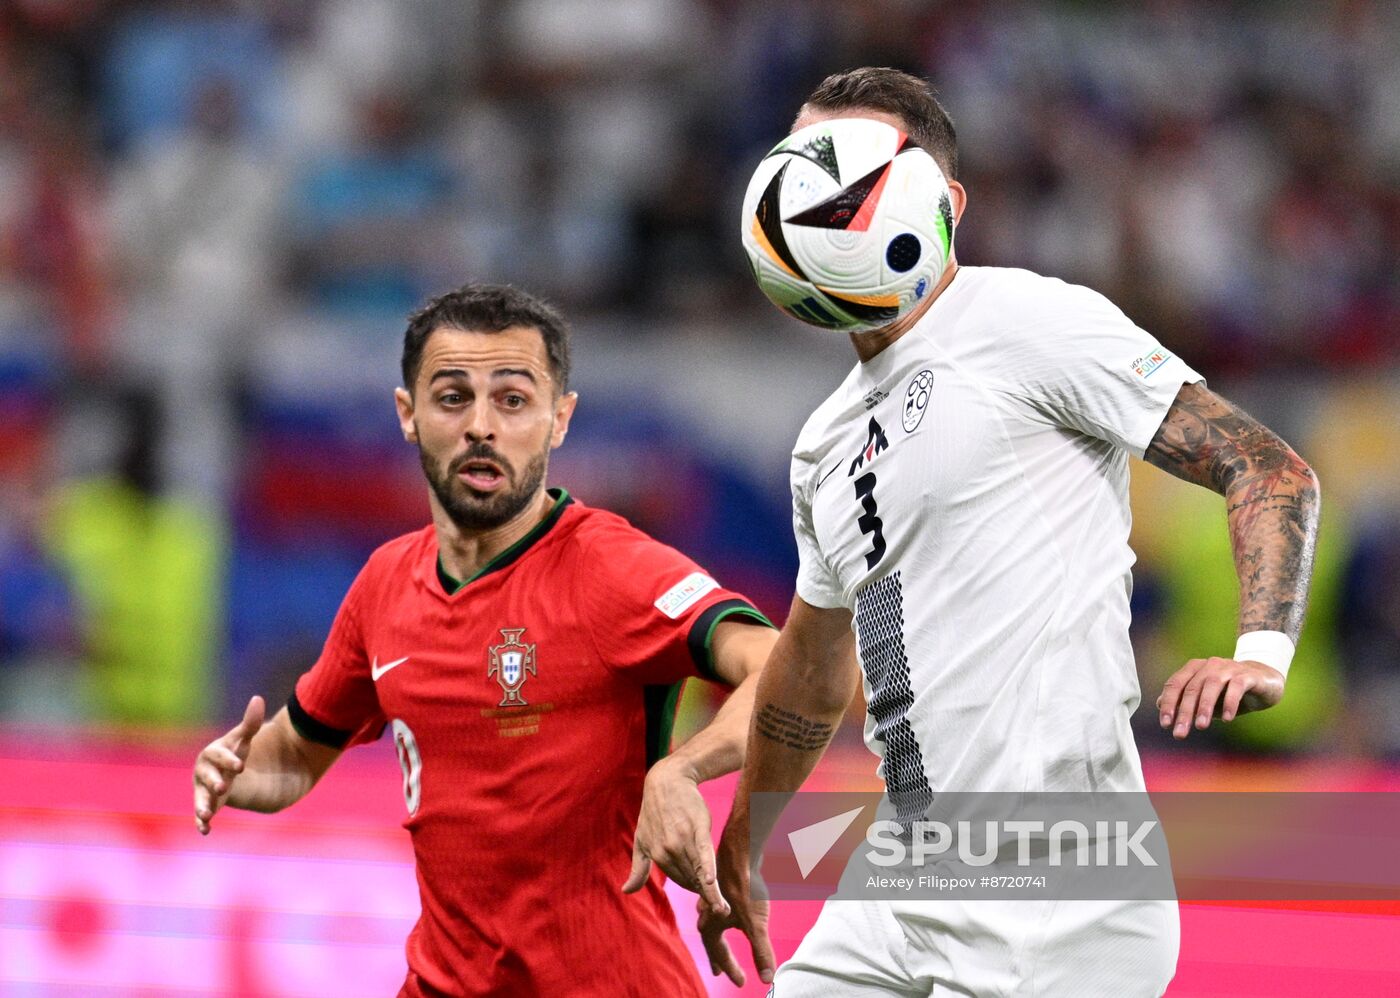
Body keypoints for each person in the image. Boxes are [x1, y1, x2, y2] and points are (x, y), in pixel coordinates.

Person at [703, 68, 1320, 996]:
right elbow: (813, 667)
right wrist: (746, 842)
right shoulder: (823, 442)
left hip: (1055, 878)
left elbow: (1267, 466)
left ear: (943, 204)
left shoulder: (1027, 321)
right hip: (903, 866)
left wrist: (1262, 651)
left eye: (852, 173)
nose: (822, 200)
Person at [191, 284, 776, 996]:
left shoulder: (612, 568)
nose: (480, 427)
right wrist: (238, 771)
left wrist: (682, 771)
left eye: (513, 400)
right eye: (451, 398)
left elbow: (781, 670)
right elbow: (294, 755)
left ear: (560, 419)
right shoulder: (384, 584)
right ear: (407, 414)